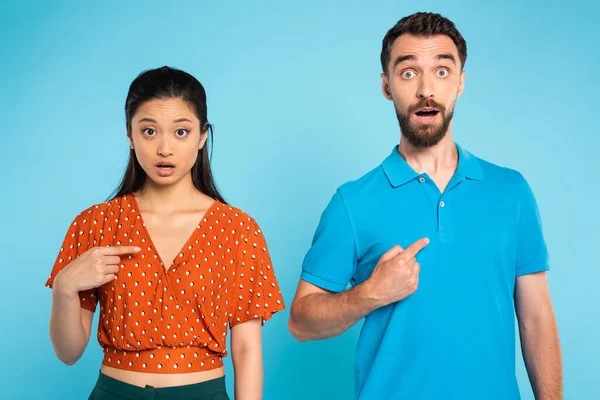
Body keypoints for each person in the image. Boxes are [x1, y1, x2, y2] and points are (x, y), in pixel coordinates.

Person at [288, 12, 562, 400]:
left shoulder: (511, 191)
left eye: (442, 71)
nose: (426, 89)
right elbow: (300, 321)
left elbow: (536, 319)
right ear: (387, 87)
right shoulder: (352, 202)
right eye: (408, 72)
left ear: (461, 82)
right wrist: (371, 293)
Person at [46, 66, 285, 400]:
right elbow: (68, 352)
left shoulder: (238, 230)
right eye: (149, 131)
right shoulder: (96, 223)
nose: (164, 149)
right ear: (130, 135)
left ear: (202, 136)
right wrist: (64, 287)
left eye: (181, 132)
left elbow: (246, 350)